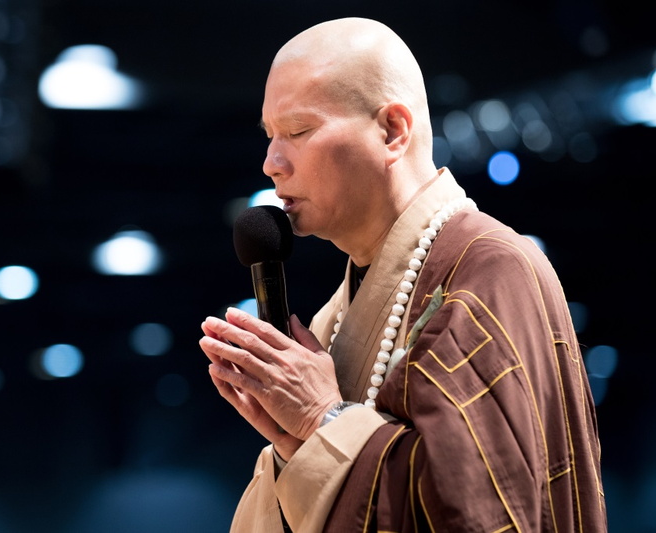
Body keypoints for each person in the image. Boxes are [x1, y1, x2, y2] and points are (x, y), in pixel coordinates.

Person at [199, 17, 607, 533]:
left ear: (393, 130)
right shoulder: (336, 315)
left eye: (298, 131)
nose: (271, 162)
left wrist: (323, 420)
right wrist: (294, 445)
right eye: (270, 137)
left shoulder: (491, 271)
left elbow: (478, 511)